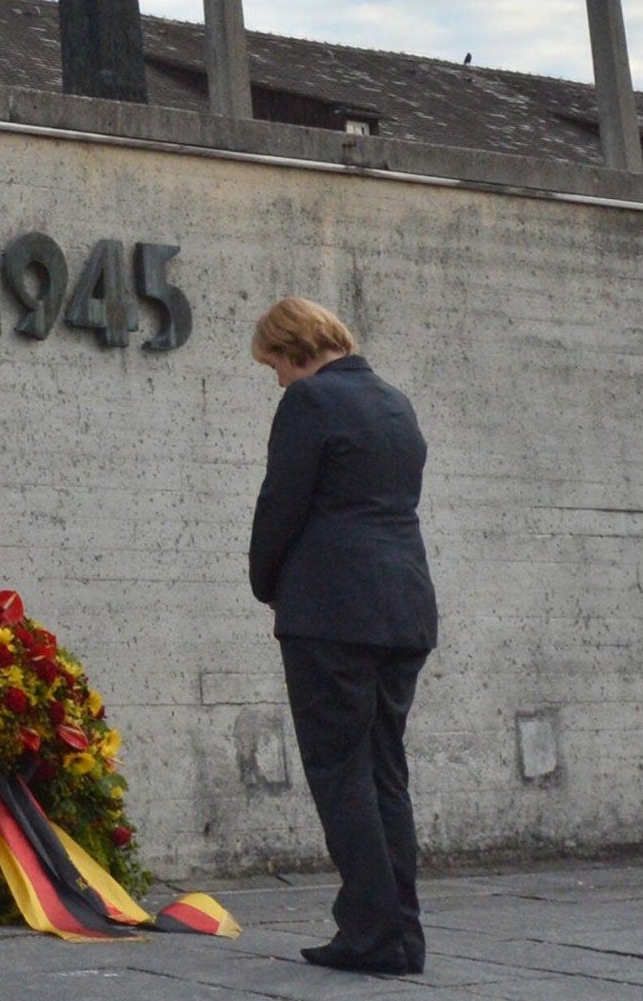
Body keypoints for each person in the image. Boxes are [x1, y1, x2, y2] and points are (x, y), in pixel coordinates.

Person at [249, 297, 437, 976]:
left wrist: (266, 582)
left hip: (331, 613)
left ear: (292, 346)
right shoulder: (395, 403)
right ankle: (401, 933)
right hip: (404, 608)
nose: (276, 380)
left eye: (273, 363)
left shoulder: (310, 403)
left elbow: (281, 504)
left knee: (340, 772)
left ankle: (368, 934)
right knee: (384, 770)